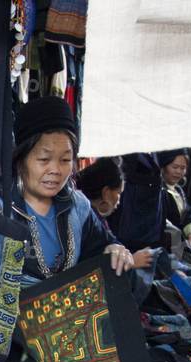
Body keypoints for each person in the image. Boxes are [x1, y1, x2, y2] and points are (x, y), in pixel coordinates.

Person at [8, 96, 134, 281]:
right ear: (20, 160)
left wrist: (115, 251)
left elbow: (102, 246)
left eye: (65, 160)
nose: (56, 170)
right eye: (44, 159)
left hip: (68, 310)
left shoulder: (78, 208)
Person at [158, 149, 191, 245]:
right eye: (175, 167)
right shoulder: (158, 192)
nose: (178, 171)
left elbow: (187, 215)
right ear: (163, 167)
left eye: (183, 168)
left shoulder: (179, 191)